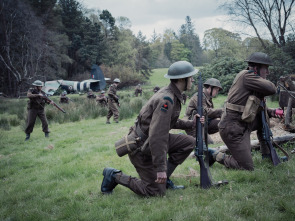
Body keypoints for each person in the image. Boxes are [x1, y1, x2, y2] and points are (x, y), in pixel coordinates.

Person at [101, 61, 204, 197]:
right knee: (155, 192)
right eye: (190, 77)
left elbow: (167, 122)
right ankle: (114, 175)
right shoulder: (166, 99)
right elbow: (157, 135)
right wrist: (161, 168)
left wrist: (190, 123)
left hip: (150, 143)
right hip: (141, 148)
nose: (192, 79)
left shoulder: (171, 94)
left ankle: (164, 179)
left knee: (189, 142)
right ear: (181, 79)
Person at [209, 52, 284, 171]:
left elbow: (254, 107)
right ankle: (214, 155)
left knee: (263, 119)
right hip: (233, 129)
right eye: (266, 69)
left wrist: (271, 112)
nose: (268, 72)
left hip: (244, 124)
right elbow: (272, 89)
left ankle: (266, 154)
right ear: (256, 68)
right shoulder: (247, 76)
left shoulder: (252, 80)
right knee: (246, 167)